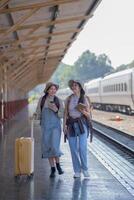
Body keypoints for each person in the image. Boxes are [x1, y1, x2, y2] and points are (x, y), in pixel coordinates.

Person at [63, 80, 92, 179]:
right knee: (73, 148)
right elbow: (65, 114)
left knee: (82, 148)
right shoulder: (68, 99)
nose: (74, 87)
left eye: (76, 85)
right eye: (72, 86)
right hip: (71, 125)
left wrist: (83, 111)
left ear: (80, 87)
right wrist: (64, 126)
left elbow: (89, 115)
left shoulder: (84, 99)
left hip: (82, 124)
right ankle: (77, 171)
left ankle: (85, 169)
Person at [35, 82, 64, 178]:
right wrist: (34, 116)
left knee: (55, 147)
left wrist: (56, 110)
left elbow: (62, 115)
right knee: (48, 147)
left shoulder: (59, 100)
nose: (53, 91)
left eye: (55, 89)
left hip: (56, 127)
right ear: (47, 90)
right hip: (45, 127)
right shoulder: (42, 100)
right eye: (51, 89)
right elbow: (38, 113)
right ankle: (52, 169)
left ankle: (58, 165)